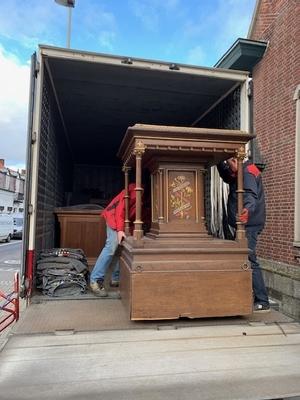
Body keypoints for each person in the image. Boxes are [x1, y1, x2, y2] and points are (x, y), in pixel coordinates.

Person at [217, 157, 270, 313]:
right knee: (245, 259)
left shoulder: (247, 173)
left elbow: (250, 195)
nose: (229, 168)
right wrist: (219, 162)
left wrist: (247, 210)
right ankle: (251, 295)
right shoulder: (241, 171)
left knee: (249, 259)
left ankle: (262, 301)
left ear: (236, 160)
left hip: (249, 225)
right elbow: (227, 176)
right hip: (246, 224)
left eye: (229, 163)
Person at [90, 183, 137, 297]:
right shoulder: (134, 190)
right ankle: (95, 280)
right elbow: (121, 211)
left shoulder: (151, 195)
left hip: (125, 223)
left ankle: (115, 278)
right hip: (114, 217)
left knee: (120, 249)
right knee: (111, 246)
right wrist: (120, 230)